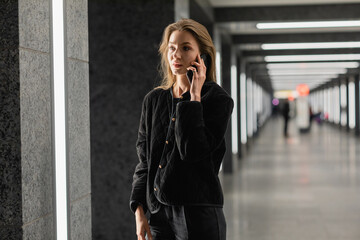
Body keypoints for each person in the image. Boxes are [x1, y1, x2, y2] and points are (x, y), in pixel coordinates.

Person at [129, 18, 234, 240]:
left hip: (197, 213)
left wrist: (193, 99)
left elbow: (193, 152)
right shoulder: (154, 100)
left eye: (186, 48)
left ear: (201, 56)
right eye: (172, 48)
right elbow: (144, 161)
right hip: (158, 213)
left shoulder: (218, 100)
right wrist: (139, 210)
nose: (176, 55)